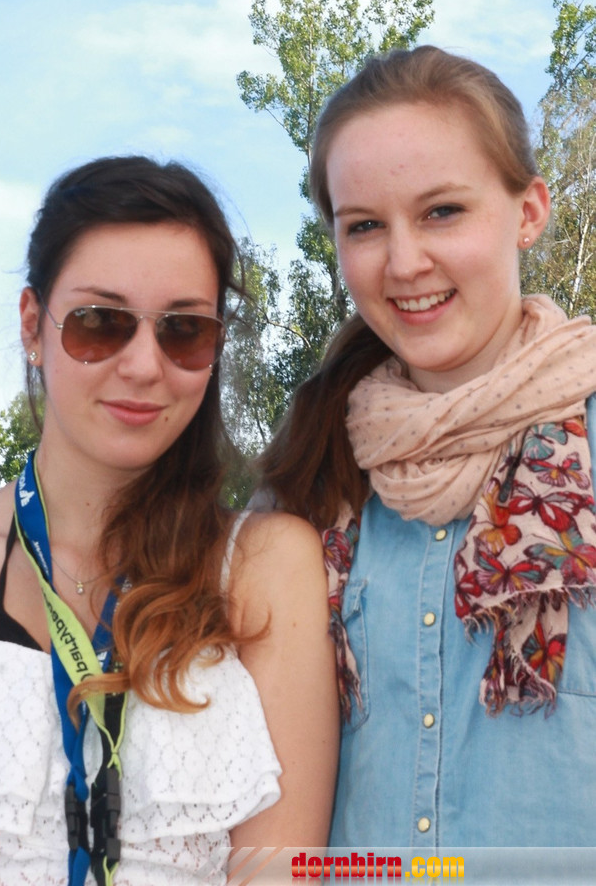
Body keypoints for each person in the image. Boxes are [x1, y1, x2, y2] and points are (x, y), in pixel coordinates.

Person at [0, 156, 338, 885]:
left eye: (184, 330)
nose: (144, 365)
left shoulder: (265, 565)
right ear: (32, 325)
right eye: (100, 324)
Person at [257, 45, 596, 849]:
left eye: (441, 211)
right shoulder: (307, 483)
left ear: (528, 212)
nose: (404, 262)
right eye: (364, 226)